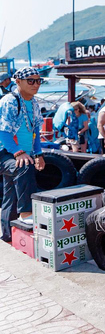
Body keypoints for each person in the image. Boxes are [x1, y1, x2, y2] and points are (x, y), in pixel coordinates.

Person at [0, 67, 45, 242]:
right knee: (24, 167)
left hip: (20, 154)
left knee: (10, 195)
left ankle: (7, 235)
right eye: (31, 81)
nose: (36, 84)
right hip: (5, 153)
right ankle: (26, 213)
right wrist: (18, 153)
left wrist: (38, 153)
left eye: (38, 81)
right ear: (18, 82)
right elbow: (3, 132)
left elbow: (35, 131)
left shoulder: (33, 103)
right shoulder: (9, 101)